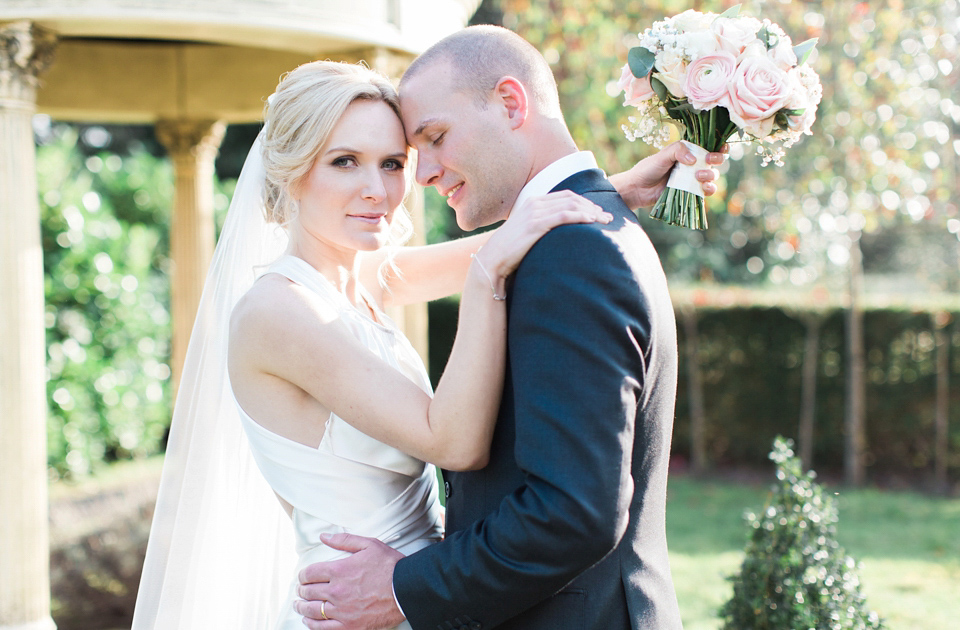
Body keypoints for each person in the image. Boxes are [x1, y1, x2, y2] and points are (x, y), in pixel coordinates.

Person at [131, 58, 719, 630]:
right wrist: (487, 277)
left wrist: (609, 189)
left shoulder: (359, 280)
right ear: (290, 171)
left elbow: (493, 242)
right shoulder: (277, 312)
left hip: (416, 595)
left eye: (392, 163)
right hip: (358, 605)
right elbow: (453, 441)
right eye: (345, 162)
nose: (378, 190)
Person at [294, 25, 725, 630]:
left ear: (511, 102)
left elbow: (575, 513)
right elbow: (384, 277)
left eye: (435, 139)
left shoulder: (571, 254)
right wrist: (616, 189)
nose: (420, 176)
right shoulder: (571, 233)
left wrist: (400, 589)